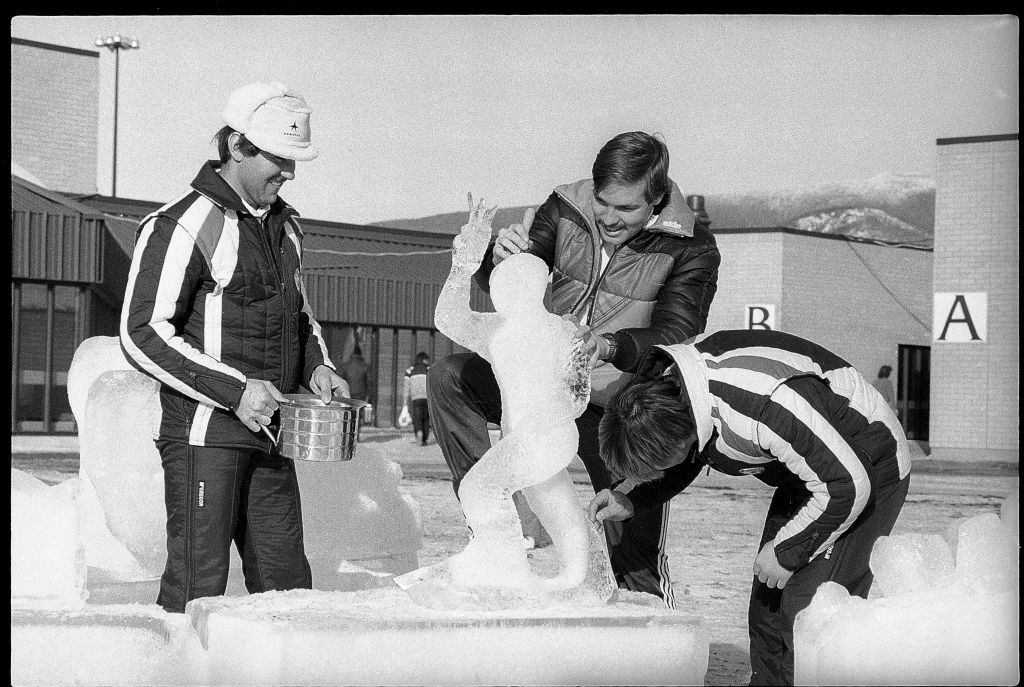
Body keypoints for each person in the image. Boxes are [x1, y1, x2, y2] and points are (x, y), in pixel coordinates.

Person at [427, 131, 720, 607]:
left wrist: (610, 347)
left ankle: (648, 644)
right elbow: (514, 283)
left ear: (657, 199)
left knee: (630, 550)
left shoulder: (692, 248)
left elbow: (676, 332)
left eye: (625, 209)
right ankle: (495, 524)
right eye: (603, 202)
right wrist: (493, 258)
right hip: (545, 396)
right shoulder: (565, 207)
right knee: (448, 377)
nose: (608, 218)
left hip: (619, 403)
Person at [120, 81, 349, 614]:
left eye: (296, 161)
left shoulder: (287, 228)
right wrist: (235, 391)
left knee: (288, 583)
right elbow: (142, 333)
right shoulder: (181, 223)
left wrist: (319, 367)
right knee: (197, 586)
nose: (290, 173)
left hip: (271, 431)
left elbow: (299, 314)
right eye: (279, 159)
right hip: (205, 436)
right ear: (236, 147)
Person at [587, 329, 912, 685]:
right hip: (809, 476)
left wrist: (788, 551)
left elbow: (848, 484)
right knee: (767, 613)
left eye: (658, 467)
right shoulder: (673, 401)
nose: (659, 474)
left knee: (809, 614)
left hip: (867, 466)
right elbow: (683, 457)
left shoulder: (758, 403)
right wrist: (629, 497)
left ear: (679, 438)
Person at [404, 351, 432, 445]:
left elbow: (406, 387)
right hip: (427, 397)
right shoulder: (429, 369)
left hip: (416, 398)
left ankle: (418, 432)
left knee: (417, 417)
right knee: (426, 418)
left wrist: (405, 401)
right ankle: (425, 439)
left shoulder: (410, 370)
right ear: (424, 360)